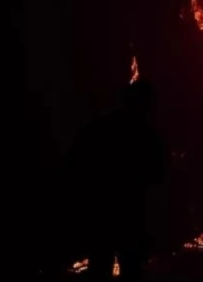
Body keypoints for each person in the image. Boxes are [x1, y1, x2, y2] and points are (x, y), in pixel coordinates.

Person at [69, 78, 166, 280]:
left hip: (104, 210)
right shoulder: (146, 134)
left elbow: (77, 163)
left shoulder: (100, 128)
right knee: (128, 266)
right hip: (127, 211)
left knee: (102, 264)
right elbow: (159, 175)